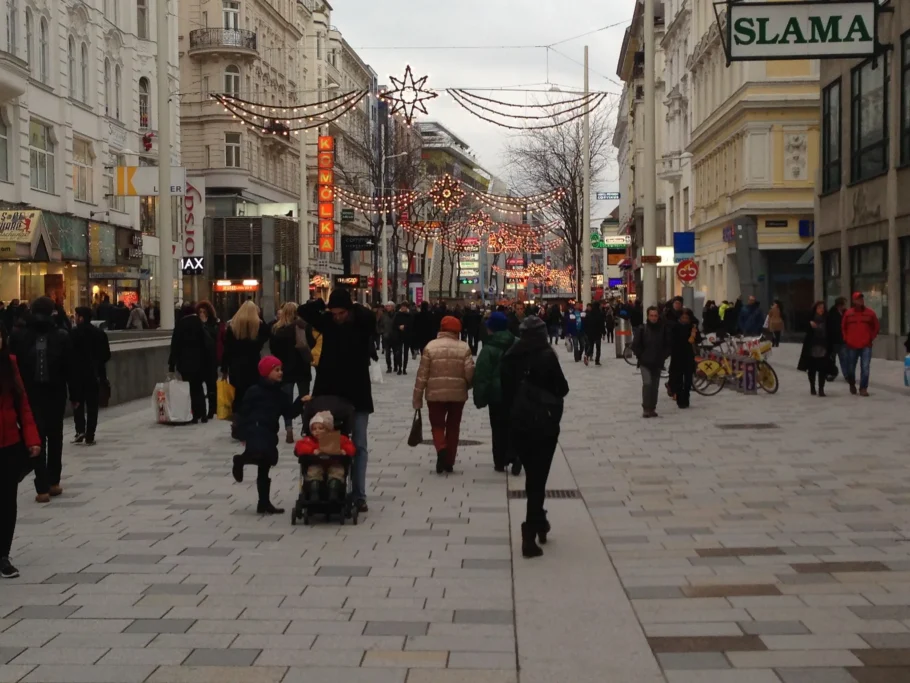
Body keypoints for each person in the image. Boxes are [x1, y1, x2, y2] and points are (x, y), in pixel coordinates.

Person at [299, 290, 376, 512]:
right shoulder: (328, 322)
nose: (337, 317)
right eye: (334, 313)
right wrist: (321, 304)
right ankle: (332, 488)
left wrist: (353, 305)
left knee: (359, 445)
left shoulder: (361, 324)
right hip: (330, 395)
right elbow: (304, 311)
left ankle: (359, 494)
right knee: (330, 445)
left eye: (341, 313)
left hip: (358, 394)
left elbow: (369, 318)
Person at [501, 316, 569, 559]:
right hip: (544, 424)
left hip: (518, 423)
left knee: (533, 475)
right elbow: (562, 388)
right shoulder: (547, 356)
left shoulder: (510, 355)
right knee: (538, 478)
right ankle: (530, 531)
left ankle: (539, 521)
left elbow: (504, 391)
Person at [9, 297, 74, 503]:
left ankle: (43, 485)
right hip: (54, 394)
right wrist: (76, 396)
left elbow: (13, 369)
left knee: (37, 439)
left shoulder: (20, 336)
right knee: (55, 437)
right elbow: (70, 370)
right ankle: (53, 481)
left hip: (31, 394)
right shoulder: (61, 336)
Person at [232, 356, 303, 514]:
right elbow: (243, 411)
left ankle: (263, 503)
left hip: (270, 431)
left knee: (266, 463)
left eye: (281, 370)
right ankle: (241, 460)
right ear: (265, 372)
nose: (280, 373)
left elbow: (289, 412)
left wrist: (301, 402)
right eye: (276, 370)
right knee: (260, 455)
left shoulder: (280, 393)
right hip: (255, 429)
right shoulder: (254, 391)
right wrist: (241, 431)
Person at [0, 326, 41, 579]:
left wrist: (32, 440)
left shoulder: (10, 364)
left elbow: (23, 404)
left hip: (9, 444)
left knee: (7, 501)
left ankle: (3, 554)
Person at [413, 316, 475, 475]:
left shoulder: (430, 347)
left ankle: (441, 449)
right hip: (457, 395)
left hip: (434, 395)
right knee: (453, 427)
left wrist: (417, 397)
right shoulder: (464, 347)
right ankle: (449, 461)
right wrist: (467, 385)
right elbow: (470, 373)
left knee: (437, 425)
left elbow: (422, 375)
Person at [472, 311, 516, 473]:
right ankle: (515, 454)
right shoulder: (517, 343)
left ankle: (500, 460)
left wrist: (480, 398)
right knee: (514, 424)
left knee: (498, 427)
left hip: (496, 395)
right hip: (515, 393)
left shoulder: (488, 349)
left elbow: (482, 375)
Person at [221, 301, 270, 436]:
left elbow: (227, 350)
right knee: (253, 395)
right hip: (253, 365)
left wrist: (224, 369)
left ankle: (237, 425)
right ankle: (251, 424)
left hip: (236, 366)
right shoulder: (259, 326)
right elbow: (267, 334)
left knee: (239, 395)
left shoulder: (233, 327)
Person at [269, 302, 312, 444]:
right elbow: (310, 344)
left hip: (285, 369)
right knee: (305, 398)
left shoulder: (276, 329)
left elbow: (273, 350)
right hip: (302, 368)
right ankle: (306, 428)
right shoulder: (302, 326)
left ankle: (289, 429)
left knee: (286, 401)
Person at [69, 308, 111, 445]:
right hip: (95, 374)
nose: (74, 318)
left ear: (81, 318)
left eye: (76, 315)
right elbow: (106, 355)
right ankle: (90, 434)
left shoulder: (73, 334)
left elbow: (67, 355)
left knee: (77, 402)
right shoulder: (99, 333)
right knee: (93, 406)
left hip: (76, 375)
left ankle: (80, 429)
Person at [294, 410, 355, 503]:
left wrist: (345, 451)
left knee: (337, 471)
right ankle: (314, 492)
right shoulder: (309, 441)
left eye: (321, 428)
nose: (317, 431)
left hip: (334, 464)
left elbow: (350, 447)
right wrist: (312, 451)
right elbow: (299, 447)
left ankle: (334, 492)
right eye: (314, 429)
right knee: (313, 471)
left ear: (329, 429)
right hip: (317, 464)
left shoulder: (339, 439)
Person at [168, 303, 211, 424]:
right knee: (199, 387)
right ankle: (203, 413)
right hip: (200, 361)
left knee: (190, 388)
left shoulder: (181, 324)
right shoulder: (199, 323)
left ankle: (194, 414)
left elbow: (175, 345)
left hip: (185, 363)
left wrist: (172, 364)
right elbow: (207, 343)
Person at [631, 306, 670, 419]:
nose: (653, 318)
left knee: (655, 386)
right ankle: (646, 408)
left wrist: (663, 356)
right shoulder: (642, 329)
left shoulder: (662, 329)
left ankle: (652, 408)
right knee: (647, 384)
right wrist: (641, 356)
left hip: (657, 362)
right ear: (647, 316)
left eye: (655, 315)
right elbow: (635, 345)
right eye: (651, 315)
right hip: (645, 362)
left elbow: (668, 345)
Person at [841, 292, 880, 396]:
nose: (860, 301)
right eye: (858, 299)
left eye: (861, 299)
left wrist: (871, 337)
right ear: (854, 301)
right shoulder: (848, 313)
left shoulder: (870, 313)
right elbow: (843, 327)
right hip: (852, 345)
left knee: (865, 367)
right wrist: (846, 338)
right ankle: (852, 384)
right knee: (851, 367)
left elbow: (876, 326)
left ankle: (863, 388)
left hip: (866, 345)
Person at [798, 301, 834, 397]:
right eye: (819, 307)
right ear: (815, 309)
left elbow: (831, 332)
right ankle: (812, 387)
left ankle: (821, 389)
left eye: (822, 307)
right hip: (812, 347)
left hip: (823, 347)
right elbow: (802, 326)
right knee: (812, 369)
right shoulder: (810, 318)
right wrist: (809, 324)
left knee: (822, 369)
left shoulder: (827, 318)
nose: (821, 309)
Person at [197, 301, 222, 420]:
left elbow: (214, 338)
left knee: (211, 385)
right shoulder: (196, 324)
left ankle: (212, 409)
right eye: (200, 312)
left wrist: (204, 325)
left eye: (204, 312)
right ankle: (201, 410)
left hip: (211, 359)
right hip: (200, 358)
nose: (202, 314)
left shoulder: (214, 324)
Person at [668, 308, 698, 409]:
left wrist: (694, 335)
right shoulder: (675, 327)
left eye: (687, 318)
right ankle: (680, 399)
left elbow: (697, 340)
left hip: (688, 356)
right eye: (683, 317)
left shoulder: (692, 328)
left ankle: (686, 397)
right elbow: (672, 341)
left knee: (688, 378)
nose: (685, 319)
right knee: (678, 378)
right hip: (677, 356)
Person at [827, 297, 848, 380]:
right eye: (843, 304)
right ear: (839, 305)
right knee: (832, 359)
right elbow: (829, 327)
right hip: (833, 340)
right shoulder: (831, 313)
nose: (844, 306)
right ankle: (831, 374)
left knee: (844, 358)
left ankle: (847, 375)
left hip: (843, 340)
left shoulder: (845, 313)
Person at [392, 302, 412, 375]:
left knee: (406, 352)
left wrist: (405, 327)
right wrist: (399, 327)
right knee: (399, 352)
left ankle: (404, 368)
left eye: (404, 307)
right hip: (399, 335)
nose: (403, 308)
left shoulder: (410, 315)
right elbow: (394, 325)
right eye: (402, 306)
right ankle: (399, 367)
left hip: (407, 336)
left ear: (407, 307)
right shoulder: (397, 315)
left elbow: (411, 325)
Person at [584, 301, 606, 366]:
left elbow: (586, 324)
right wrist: (604, 333)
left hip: (590, 333)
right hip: (598, 333)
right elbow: (602, 324)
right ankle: (597, 361)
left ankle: (586, 355)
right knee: (598, 347)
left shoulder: (589, 314)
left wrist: (587, 332)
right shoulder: (600, 314)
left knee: (591, 346)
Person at [378, 302, 395, 373]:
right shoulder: (383, 316)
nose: (387, 307)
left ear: (393, 307)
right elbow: (379, 325)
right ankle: (389, 367)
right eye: (387, 306)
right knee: (387, 353)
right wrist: (382, 332)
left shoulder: (396, 315)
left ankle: (396, 365)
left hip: (394, 337)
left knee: (396, 352)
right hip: (386, 336)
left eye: (389, 306)